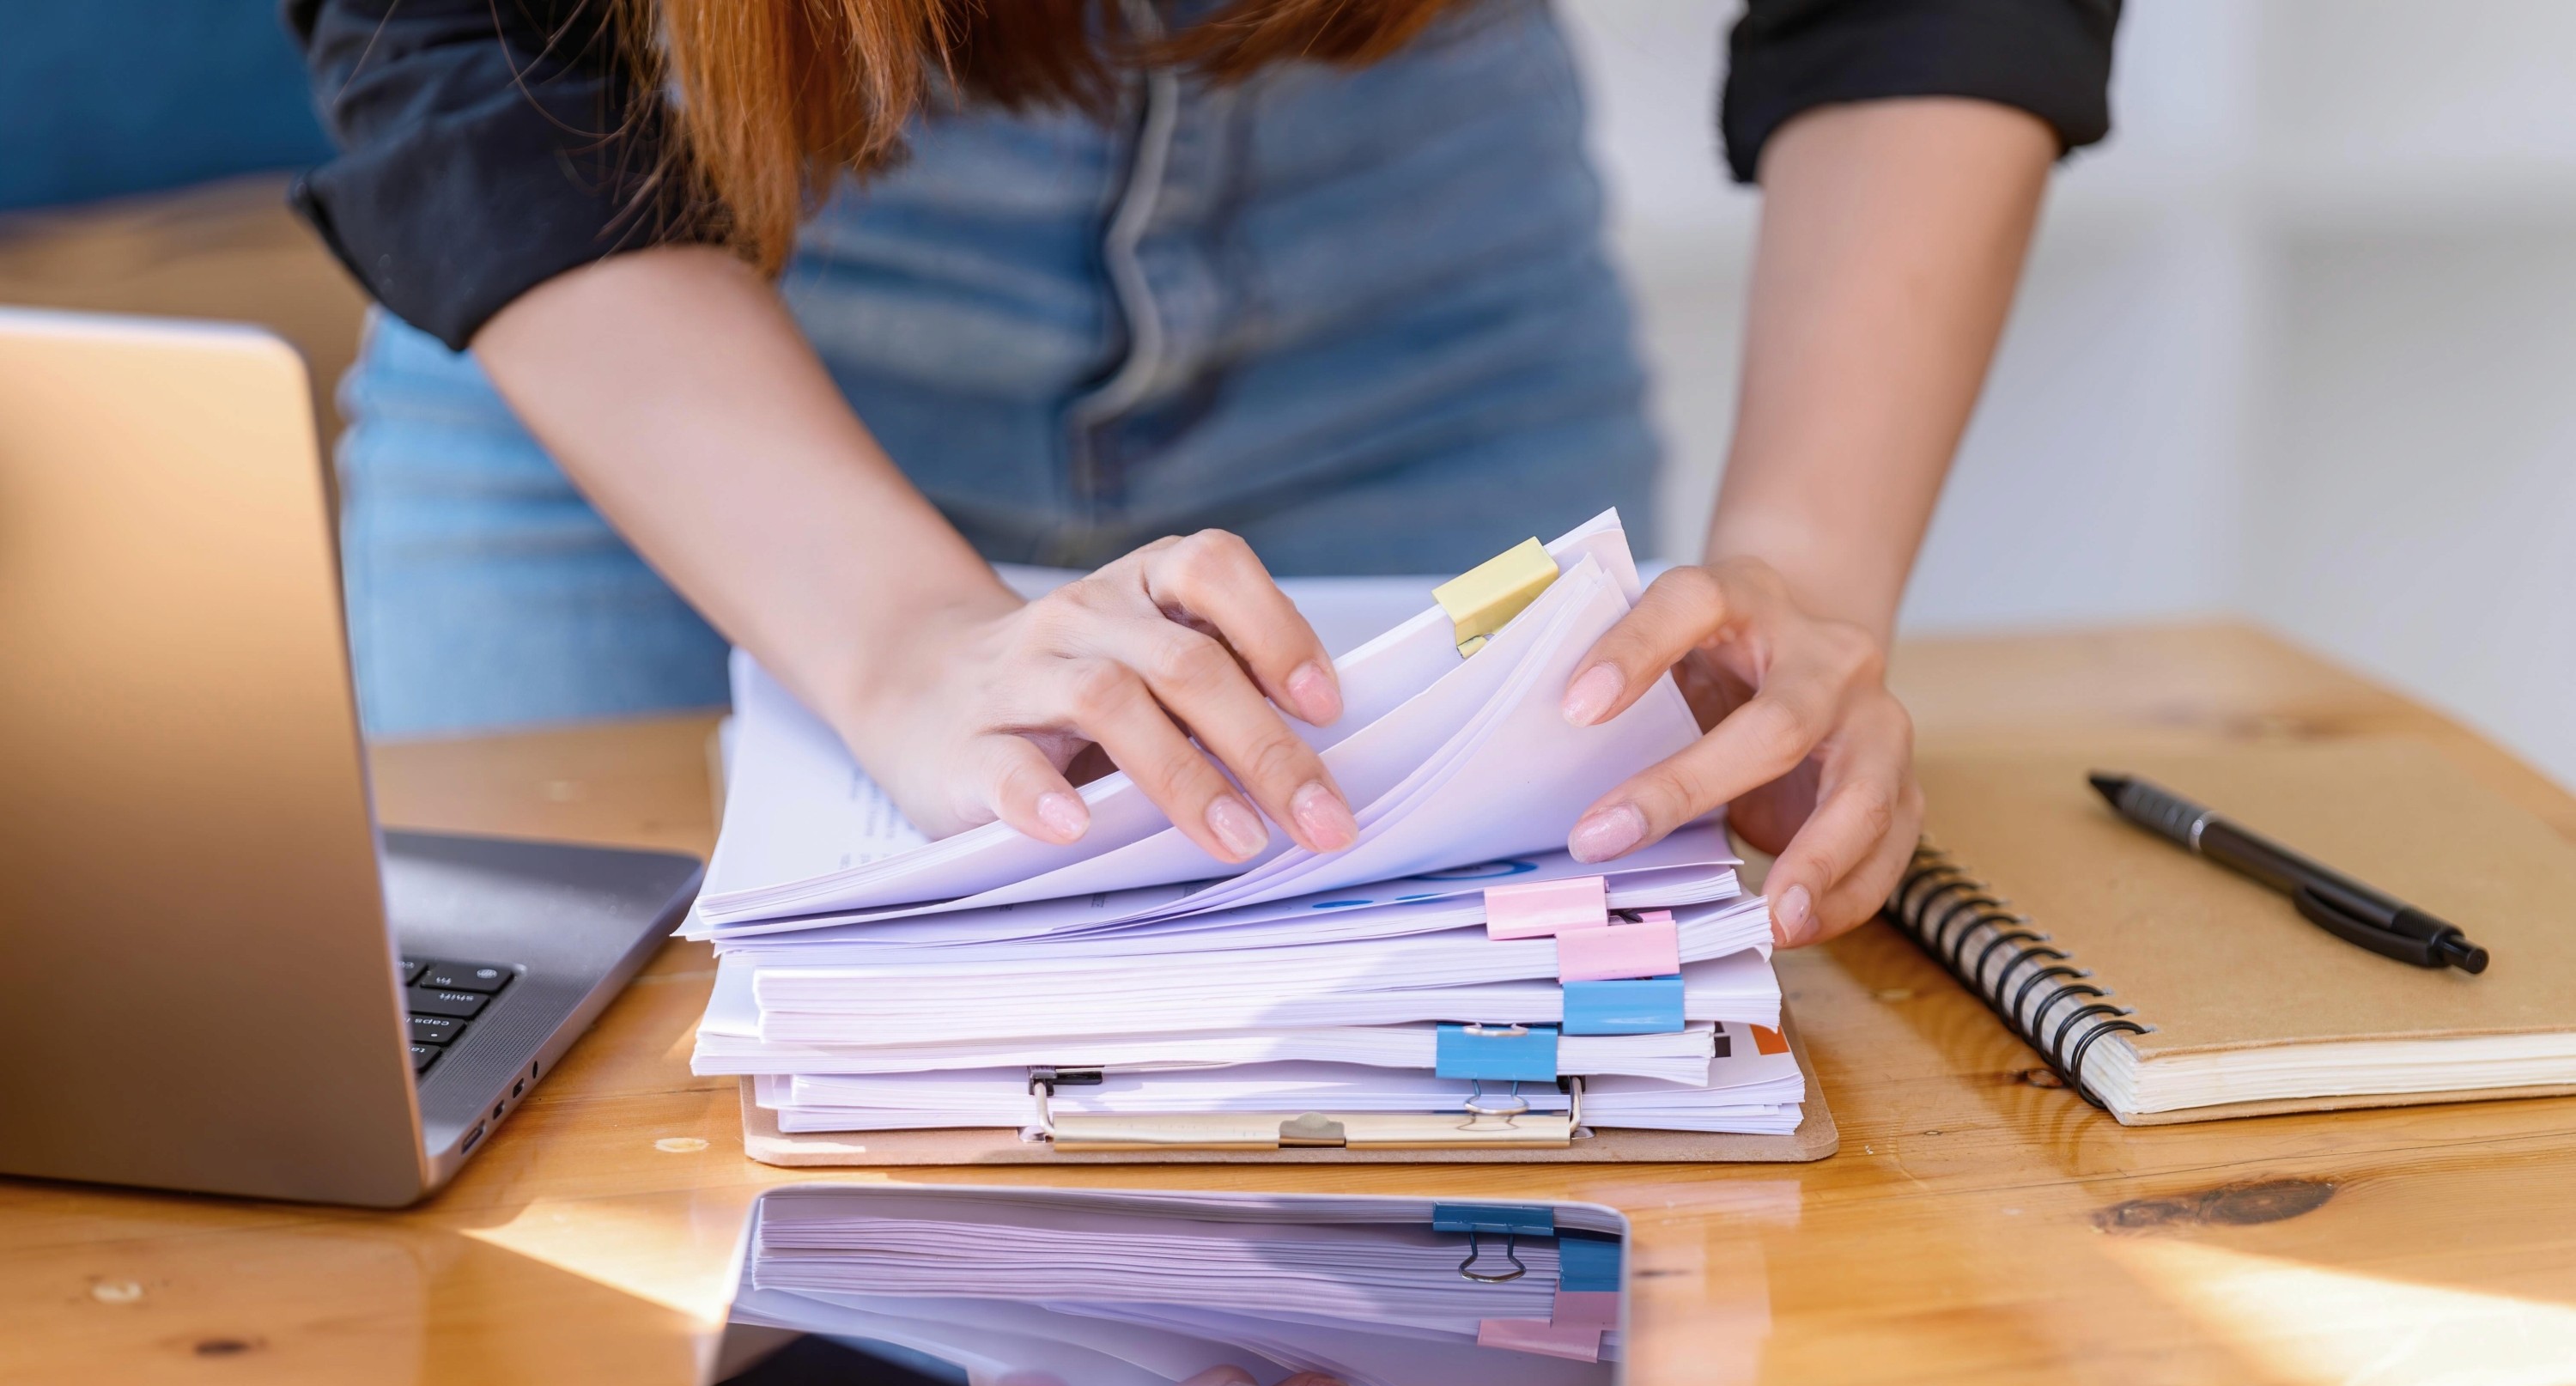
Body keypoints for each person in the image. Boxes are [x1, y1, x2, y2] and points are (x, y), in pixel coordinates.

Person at [289, 0, 2117, 955]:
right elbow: (448, 30)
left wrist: (1802, 577)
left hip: (1409, 229)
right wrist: (901, 638)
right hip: (651, 240)